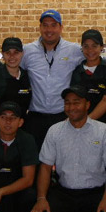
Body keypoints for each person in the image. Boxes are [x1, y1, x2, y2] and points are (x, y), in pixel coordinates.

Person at [28, 85, 106, 212]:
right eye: (67, 103)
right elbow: (45, 168)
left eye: (76, 102)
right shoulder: (55, 131)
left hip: (95, 193)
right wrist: (41, 198)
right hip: (64, 193)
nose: (71, 107)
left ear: (87, 104)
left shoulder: (103, 131)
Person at [20, 9, 84, 148]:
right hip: (35, 119)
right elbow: (10, 68)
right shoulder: (27, 51)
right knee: (36, 157)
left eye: (53, 25)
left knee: (63, 156)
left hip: (62, 117)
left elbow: (96, 58)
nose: (49, 30)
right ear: (40, 27)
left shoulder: (73, 50)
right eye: (45, 25)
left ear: (61, 28)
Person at [70, 29, 106, 125]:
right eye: (86, 46)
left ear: (101, 47)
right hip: (82, 125)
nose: (90, 50)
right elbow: (76, 100)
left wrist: (86, 121)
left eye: (94, 46)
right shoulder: (77, 71)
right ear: (82, 48)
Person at [0, 37, 32, 132]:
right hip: (0, 132)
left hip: (23, 131)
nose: (12, 56)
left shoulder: (27, 76)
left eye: (16, 52)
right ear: (2, 54)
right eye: (8, 53)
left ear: (22, 54)